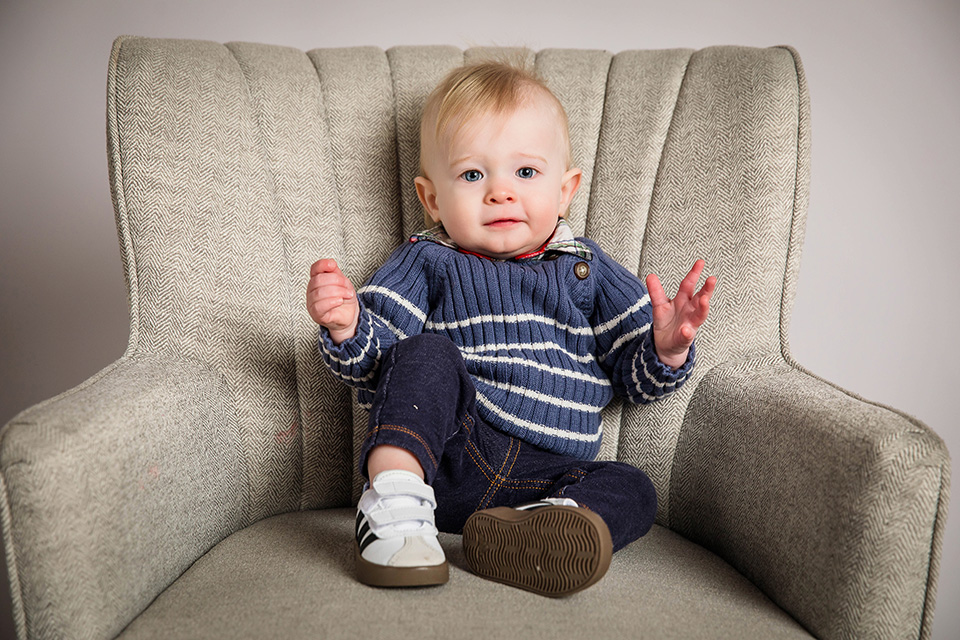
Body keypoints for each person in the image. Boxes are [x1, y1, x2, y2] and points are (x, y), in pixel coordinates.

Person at [306, 59, 715, 597]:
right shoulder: (427, 260)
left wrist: (665, 348)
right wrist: (348, 326)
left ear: (565, 190)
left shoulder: (586, 267)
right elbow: (380, 369)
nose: (500, 192)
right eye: (473, 174)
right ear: (432, 199)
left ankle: (546, 530)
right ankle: (394, 508)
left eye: (525, 173)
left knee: (635, 487)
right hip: (452, 456)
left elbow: (633, 381)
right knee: (425, 353)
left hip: (550, 476)